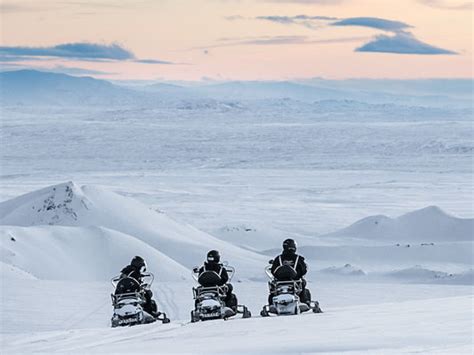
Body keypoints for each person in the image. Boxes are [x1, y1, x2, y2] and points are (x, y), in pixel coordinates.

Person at [269, 238, 312, 306]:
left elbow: (273, 270)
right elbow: (303, 270)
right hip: (295, 280)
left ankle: (271, 303)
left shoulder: (278, 258)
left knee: (273, 289)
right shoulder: (298, 258)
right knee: (303, 284)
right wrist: (299, 275)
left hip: (280, 281)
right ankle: (305, 301)